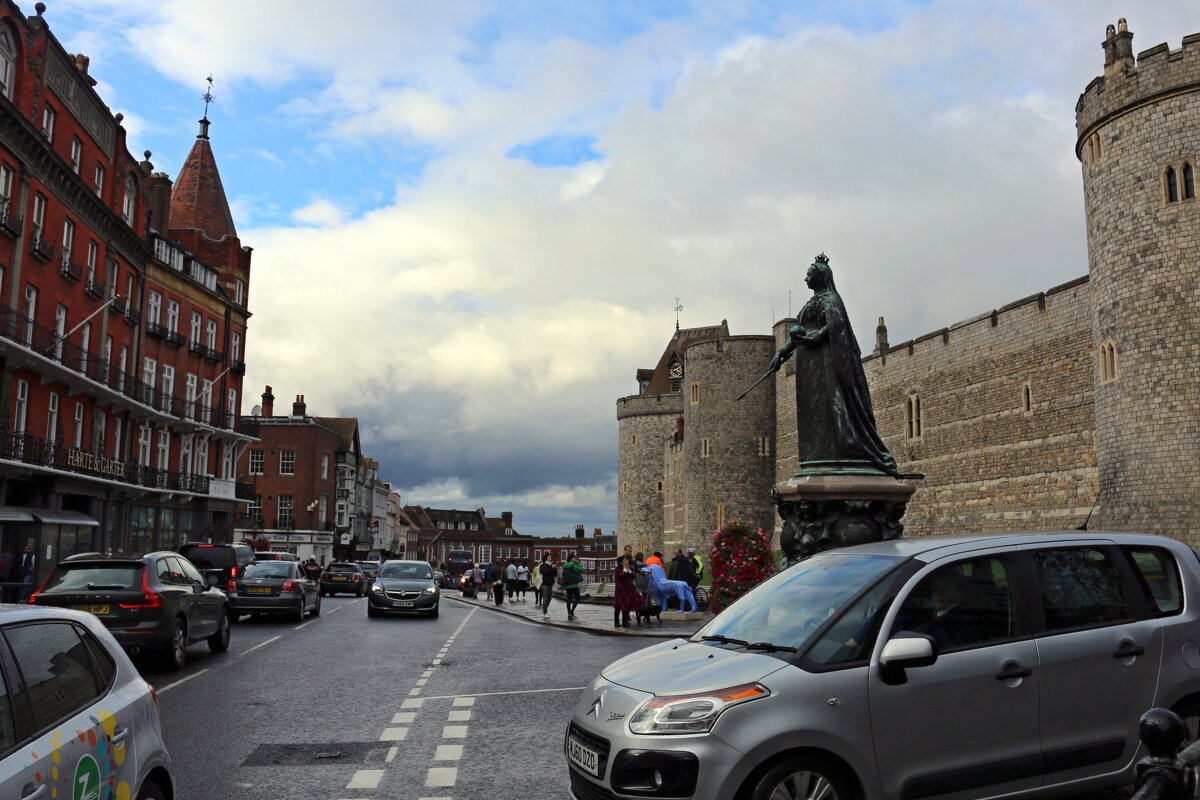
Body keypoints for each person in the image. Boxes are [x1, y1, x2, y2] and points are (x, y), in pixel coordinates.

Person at [767, 253, 897, 476]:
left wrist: (813, 339)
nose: (805, 279)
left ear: (820, 277)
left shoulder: (830, 299)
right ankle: (819, 456)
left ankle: (846, 450)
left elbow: (835, 326)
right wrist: (781, 352)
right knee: (814, 411)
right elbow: (799, 330)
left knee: (831, 407)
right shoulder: (811, 303)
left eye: (809, 275)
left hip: (827, 362)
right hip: (809, 367)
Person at [613, 555, 639, 628]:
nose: (627, 561)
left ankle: (625, 622)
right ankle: (616, 622)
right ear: (621, 562)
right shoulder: (617, 569)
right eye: (625, 560)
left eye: (626, 560)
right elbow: (621, 577)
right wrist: (625, 569)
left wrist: (629, 570)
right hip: (620, 590)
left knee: (626, 605)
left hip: (628, 590)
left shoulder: (627, 568)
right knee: (618, 606)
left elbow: (632, 576)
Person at [560, 555, 584, 620]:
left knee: (569, 600)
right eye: (574, 558)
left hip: (567, 585)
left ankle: (569, 614)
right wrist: (578, 562)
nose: (575, 559)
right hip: (574, 585)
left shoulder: (564, 566)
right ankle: (571, 612)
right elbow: (581, 570)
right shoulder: (573, 566)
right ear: (571, 558)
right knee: (577, 599)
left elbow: (562, 575)